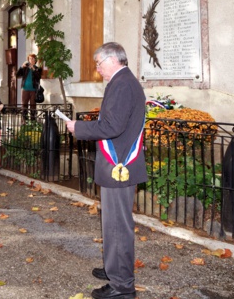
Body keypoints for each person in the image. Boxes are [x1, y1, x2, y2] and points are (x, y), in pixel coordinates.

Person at [65, 42, 146, 299]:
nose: (97, 68)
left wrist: (79, 128)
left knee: (117, 227)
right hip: (117, 166)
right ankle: (115, 269)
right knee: (113, 225)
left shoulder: (123, 84)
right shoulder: (121, 82)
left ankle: (122, 287)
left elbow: (112, 126)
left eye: (99, 62)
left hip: (119, 168)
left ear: (113, 59)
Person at [16, 54, 41, 121]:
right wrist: (21, 67)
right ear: (28, 60)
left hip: (33, 90)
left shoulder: (37, 69)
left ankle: (33, 121)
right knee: (24, 105)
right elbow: (17, 75)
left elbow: (38, 77)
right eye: (30, 59)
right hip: (25, 89)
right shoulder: (25, 68)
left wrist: (33, 69)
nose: (31, 60)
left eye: (33, 59)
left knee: (33, 106)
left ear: (35, 60)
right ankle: (24, 120)